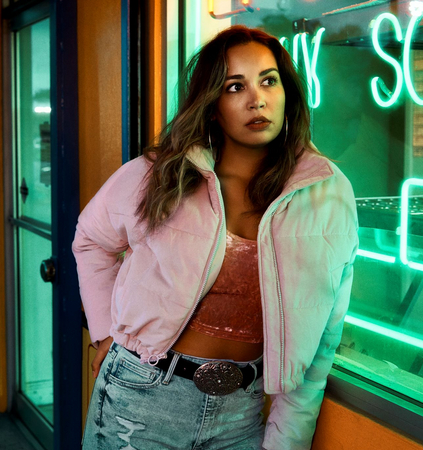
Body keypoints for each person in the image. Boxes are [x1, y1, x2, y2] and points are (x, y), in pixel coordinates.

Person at [73, 25, 358, 450]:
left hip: (240, 414)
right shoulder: (162, 175)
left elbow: (322, 339)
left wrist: (287, 440)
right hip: (141, 399)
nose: (256, 99)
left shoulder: (327, 192)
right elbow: (91, 240)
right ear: (212, 105)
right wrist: (105, 333)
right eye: (233, 86)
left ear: (287, 93)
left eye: (268, 80)